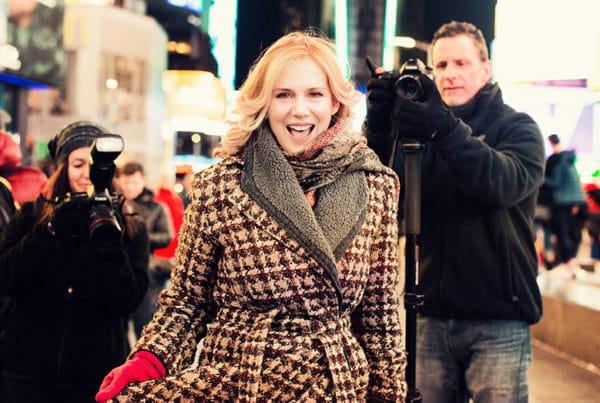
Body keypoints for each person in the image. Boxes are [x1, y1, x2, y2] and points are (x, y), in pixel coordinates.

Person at [96, 29, 407, 402]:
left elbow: (380, 318)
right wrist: (147, 362)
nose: (299, 110)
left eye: (314, 94)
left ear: (335, 104)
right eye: (284, 95)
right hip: (240, 380)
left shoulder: (375, 186)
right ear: (264, 102)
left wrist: (388, 394)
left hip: (336, 385)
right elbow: (187, 302)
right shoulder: (221, 184)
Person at [365, 20, 545, 402]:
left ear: (486, 67)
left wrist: (443, 128)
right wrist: (380, 128)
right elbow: (383, 198)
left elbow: (500, 182)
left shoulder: (518, 128)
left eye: (461, 63)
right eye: (442, 65)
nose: (450, 75)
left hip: (499, 319)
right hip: (430, 315)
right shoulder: (422, 130)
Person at [0, 121, 149, 403]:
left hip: (95, 379)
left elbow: (128, 299)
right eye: (78, 164)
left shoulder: (131, 226)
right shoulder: (31, 215)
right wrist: (49, 231)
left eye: (93, 165)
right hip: (25, 375)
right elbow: (7, 278)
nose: (86, 175)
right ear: (62, 168)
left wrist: (108, 242)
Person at [117, 162, 173, 338]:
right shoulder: (116, 205)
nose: (130, 187)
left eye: (134, 182)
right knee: (119, 328)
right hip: (119, 270)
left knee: (144, 325)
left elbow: (167, 236)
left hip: (146, 272)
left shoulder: (156, 208)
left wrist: (140, 239)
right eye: (127, 182)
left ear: (142, 181)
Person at [543, 134, 587, 275]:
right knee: (570, 234)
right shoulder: (569, 159)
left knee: (562, 234)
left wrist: (541, 178)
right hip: (576, 201)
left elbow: (556, 182)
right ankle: (570, 261)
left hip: (562, 201)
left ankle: (568, 262)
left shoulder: (558, 161)